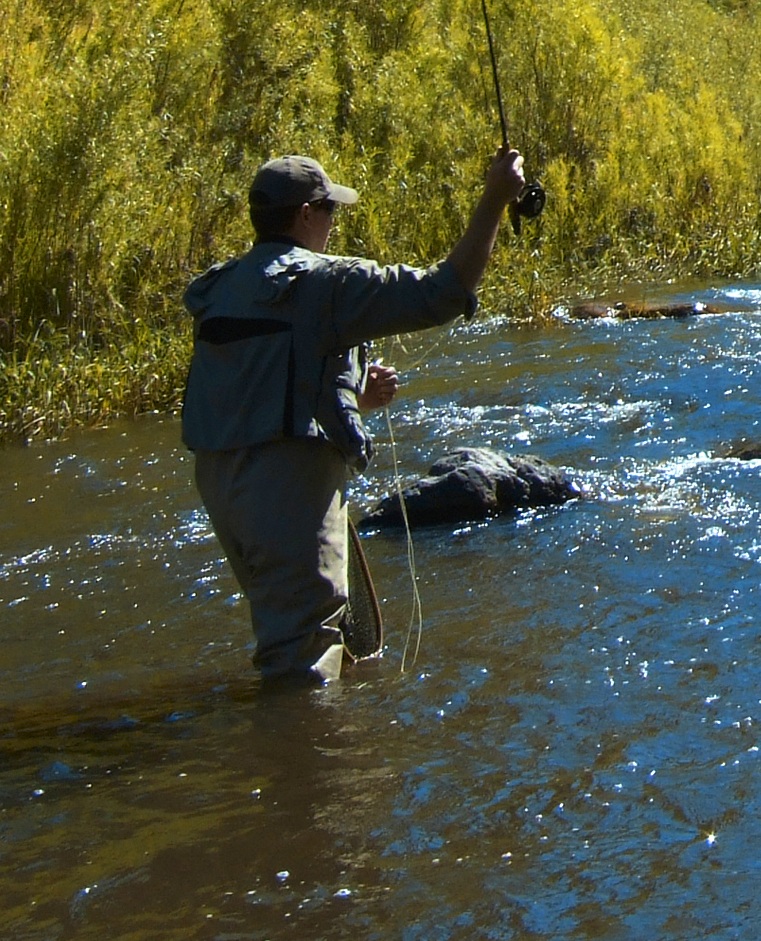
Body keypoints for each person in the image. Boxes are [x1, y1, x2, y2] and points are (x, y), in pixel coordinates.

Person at [181, 148, 530, 684]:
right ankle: (310, 759)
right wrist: (494, 199)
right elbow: (444, 291)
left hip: (220, 484)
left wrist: (352, 399)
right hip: (287, 486)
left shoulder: (221, 286)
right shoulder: (325, 283)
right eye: (329, 211)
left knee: (287, 630)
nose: (332, 224)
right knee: (303, 660)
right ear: (304, 215)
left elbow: (255, 385)